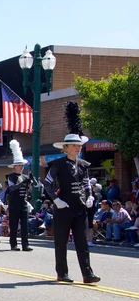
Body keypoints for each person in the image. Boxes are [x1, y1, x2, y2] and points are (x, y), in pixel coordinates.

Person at [44, 101, 100, 284]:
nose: (78, 148)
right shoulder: (58, 164)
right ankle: (62, 273)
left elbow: (86, 184)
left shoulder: (83, 165)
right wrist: (56, 200)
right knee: (61, 242)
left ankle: (87, 274)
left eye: (79, 145)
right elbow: (47, 183)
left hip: (79, 208)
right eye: (74, 145)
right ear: (66, 148)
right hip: (63, 208)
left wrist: (90, 195)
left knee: (82, 243)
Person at [6, 140, 34, 252]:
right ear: (15, 166)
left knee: (24, 225)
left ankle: (25, 245)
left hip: (23, 202)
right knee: (14, 225)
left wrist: (32, 181)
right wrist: (23, 182)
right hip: (14, 203)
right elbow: (12, 188)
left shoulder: (25, 176)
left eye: (22, 165)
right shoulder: (11, 176)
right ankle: (13, 244)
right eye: (19, 165)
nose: (21, 167)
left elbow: (31, 189)